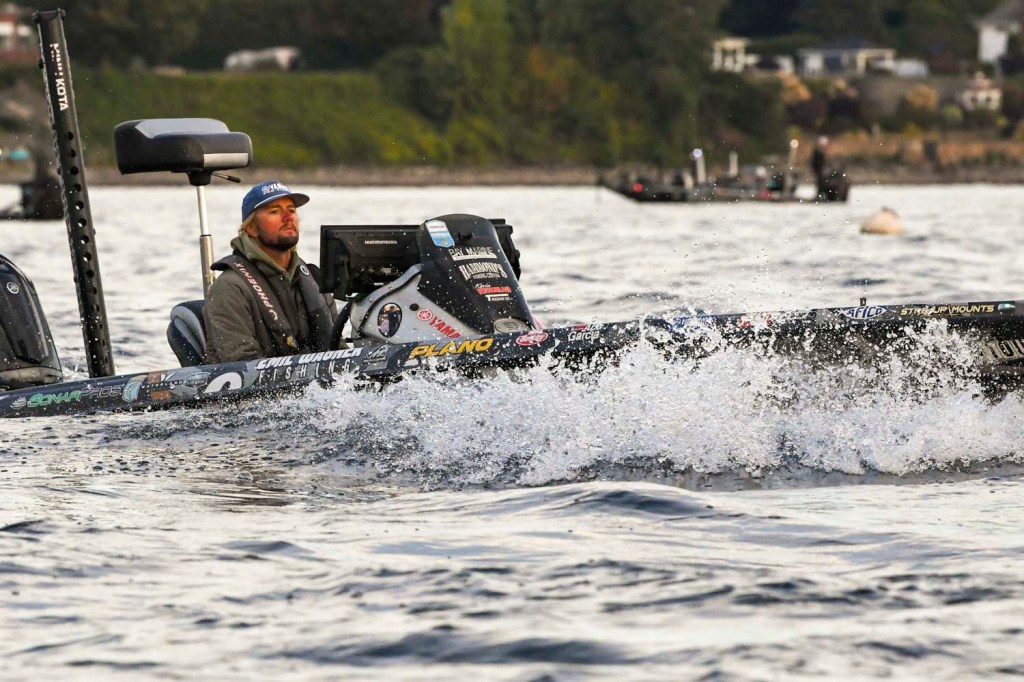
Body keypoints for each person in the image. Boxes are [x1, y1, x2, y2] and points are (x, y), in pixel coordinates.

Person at [203, 180, 336, 363]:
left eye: (292, 210)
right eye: (275, 212)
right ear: (251, 228)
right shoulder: (229, 288)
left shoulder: (313, 278)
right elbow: (239, 365)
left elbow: (339, 349)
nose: (288, 218)